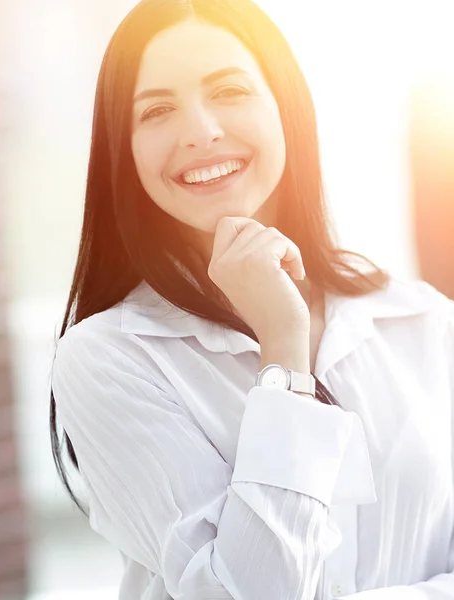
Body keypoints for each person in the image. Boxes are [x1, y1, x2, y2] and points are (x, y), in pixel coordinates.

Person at [49, 1, 454, 598]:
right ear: (124, 151)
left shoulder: (418, 318)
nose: (201, 131)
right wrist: (283, 352)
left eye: (230, 90)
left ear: (285, 107)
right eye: (157, 110)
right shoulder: (108, 357)